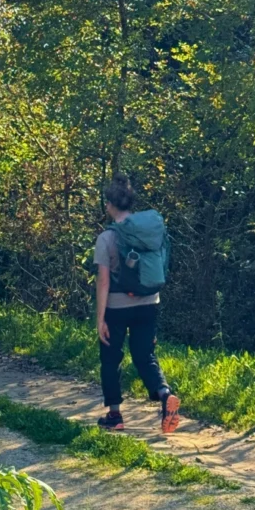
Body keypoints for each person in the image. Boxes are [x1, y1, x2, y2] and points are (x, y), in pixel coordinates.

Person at [94, 173, 180, 434]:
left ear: (109, 204)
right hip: (149, 302)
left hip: (117, 307)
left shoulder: (107, 238)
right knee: (145, 355)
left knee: (111, 358)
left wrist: (100, 319)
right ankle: (165, 394)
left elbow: (103, 282)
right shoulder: (148, 231)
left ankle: (115, 415)